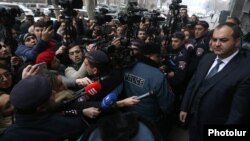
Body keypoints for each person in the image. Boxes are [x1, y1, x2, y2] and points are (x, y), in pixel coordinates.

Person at [179, 22, 250, 141]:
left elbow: (238, 114)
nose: (216, 44)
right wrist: (185, 107)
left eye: (223, 40)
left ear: (237, 41)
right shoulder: (207, 58)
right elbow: (193, 84)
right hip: (194, 123)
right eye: (214, 39)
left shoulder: (246, 71)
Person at [0, 75, 88, 141]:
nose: (54, 92)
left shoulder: (8, 136)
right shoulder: (66, 125)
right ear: (41, 108)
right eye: (50, 95)